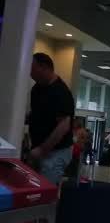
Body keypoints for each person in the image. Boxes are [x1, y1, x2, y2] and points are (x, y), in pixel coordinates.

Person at [29, 53, 75, 185]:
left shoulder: (61, 92)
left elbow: (63, 127)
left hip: (56, 151)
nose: (30, 73)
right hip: (38, 149)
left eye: (32, 69)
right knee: (35, 190)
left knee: (45, 190)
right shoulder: (36, 89)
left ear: (44, 67)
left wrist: (43, 149)